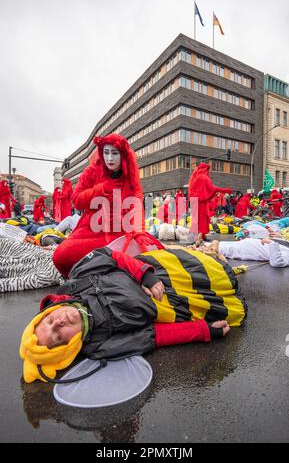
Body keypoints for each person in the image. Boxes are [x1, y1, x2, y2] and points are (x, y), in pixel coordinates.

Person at [19, 245, 248, 383]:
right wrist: (203, 331)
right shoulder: (102, 346)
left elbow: (112, 256)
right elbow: (154, 336)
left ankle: (217, 257)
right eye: (59, 336)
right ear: (70, 346)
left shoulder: (78, 277)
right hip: (172, 305)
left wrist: (145, 275)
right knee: (236, 308)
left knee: (217, 270)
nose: (59, 322)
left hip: (157, 271)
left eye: (49, 320)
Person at [52, 134, 163, 278]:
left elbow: (136, 205)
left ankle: (107, 266)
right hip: (91, 230)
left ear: (122, 155)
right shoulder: (92, 171)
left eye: (115, 153)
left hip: (121, 231)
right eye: (106, 153)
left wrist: (139, 232)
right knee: (61, 256)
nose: (109, 158)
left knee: (158, 256)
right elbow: (77, 200)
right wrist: (100, 189)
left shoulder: (129, 176)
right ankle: (106, 267)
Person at [188, 163, 232, 240]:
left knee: (196, 219)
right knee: (203, 219)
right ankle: (201, 236)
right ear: (206, 169)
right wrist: (224, 190)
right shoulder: (204, 177)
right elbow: (212, 188)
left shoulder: (194, 177)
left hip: (194, 201)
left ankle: (196, 236)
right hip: (201, 202)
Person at [203, 237, 289, 267]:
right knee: (219, 244)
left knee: (221, 248)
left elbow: (277, 262)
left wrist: (271, 243)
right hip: (249, 245)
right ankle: (204, 245)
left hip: (249, 250)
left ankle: (202, 250)